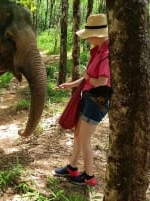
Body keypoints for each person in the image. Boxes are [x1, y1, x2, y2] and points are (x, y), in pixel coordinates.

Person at [53, 13, 111, 186]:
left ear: (96, 35)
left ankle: (89, 176)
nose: (87, 39)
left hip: (96, 102)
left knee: (85, 140)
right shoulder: (97, 52)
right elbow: (88, 78)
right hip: (88, 98)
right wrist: (71, 85)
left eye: (88, 35)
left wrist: (87, 77)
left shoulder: (106, 55)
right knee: (78, 135)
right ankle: (72, 167)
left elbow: (102, 82)